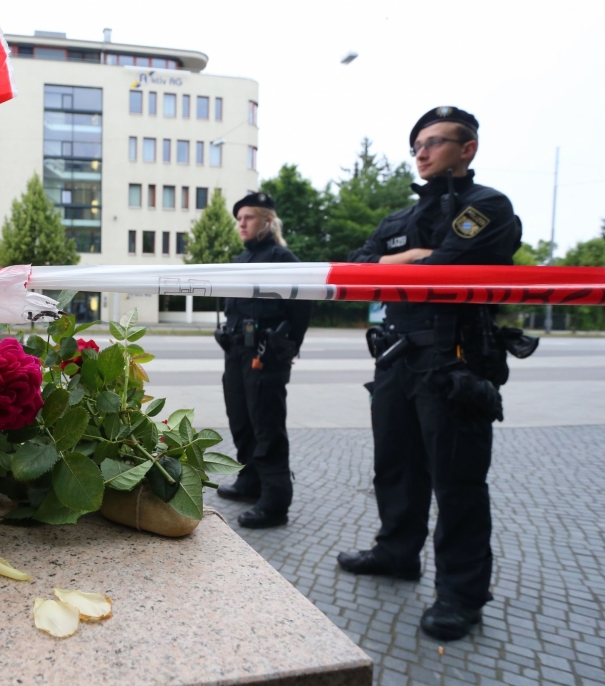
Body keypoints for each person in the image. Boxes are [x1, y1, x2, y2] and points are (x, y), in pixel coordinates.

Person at [337, 106, 523, 641]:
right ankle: (397, 552)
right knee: (395, 467)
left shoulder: (487, 206)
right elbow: (355, 268)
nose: (421, 152)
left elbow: (451, 266)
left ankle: (461, 595)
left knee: (458, 481)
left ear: (467, 150)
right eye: (417, 144)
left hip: (454, 359)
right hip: (397, 358)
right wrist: (419, 256)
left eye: (436, 142)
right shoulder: (399, 220)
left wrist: (405, 263)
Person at [215, 192, 312, 529]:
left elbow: (303, 306)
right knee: (241, 420)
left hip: (265, 355)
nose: (241, 223)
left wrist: (287, 348)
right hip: (236, 352)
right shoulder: (242, 260)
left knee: (267, 425)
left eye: (249, 218)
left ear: (268, 221)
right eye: (239, 219)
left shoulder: (282, 259)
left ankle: (275, 501)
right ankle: (250, 482)